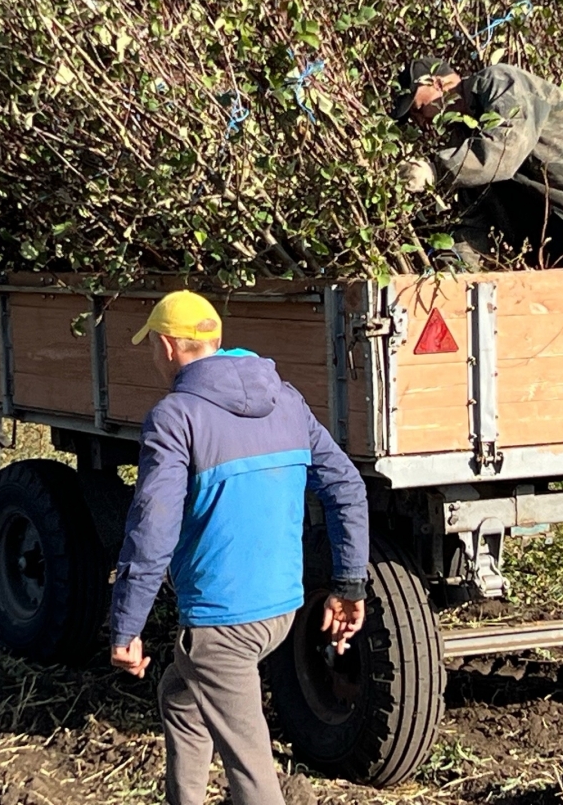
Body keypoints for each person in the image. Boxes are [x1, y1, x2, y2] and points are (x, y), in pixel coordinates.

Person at [108, 291, 369, 805]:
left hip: (222, 623)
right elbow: (346, 486)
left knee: (254, 781)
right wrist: (348, 585)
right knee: (182, 700)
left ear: (165, 346)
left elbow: (153, 526)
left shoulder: (175, 416)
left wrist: (126, 626)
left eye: (150, 347)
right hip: (281, 610)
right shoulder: (287, 400)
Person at [394, 59, 563, 268]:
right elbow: (475, 220)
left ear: (436, 82)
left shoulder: (497, 82)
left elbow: (505, 148)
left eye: (418, 108)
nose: (420, 121)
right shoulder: (465, 144)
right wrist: (454, 270)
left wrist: (435, 169)